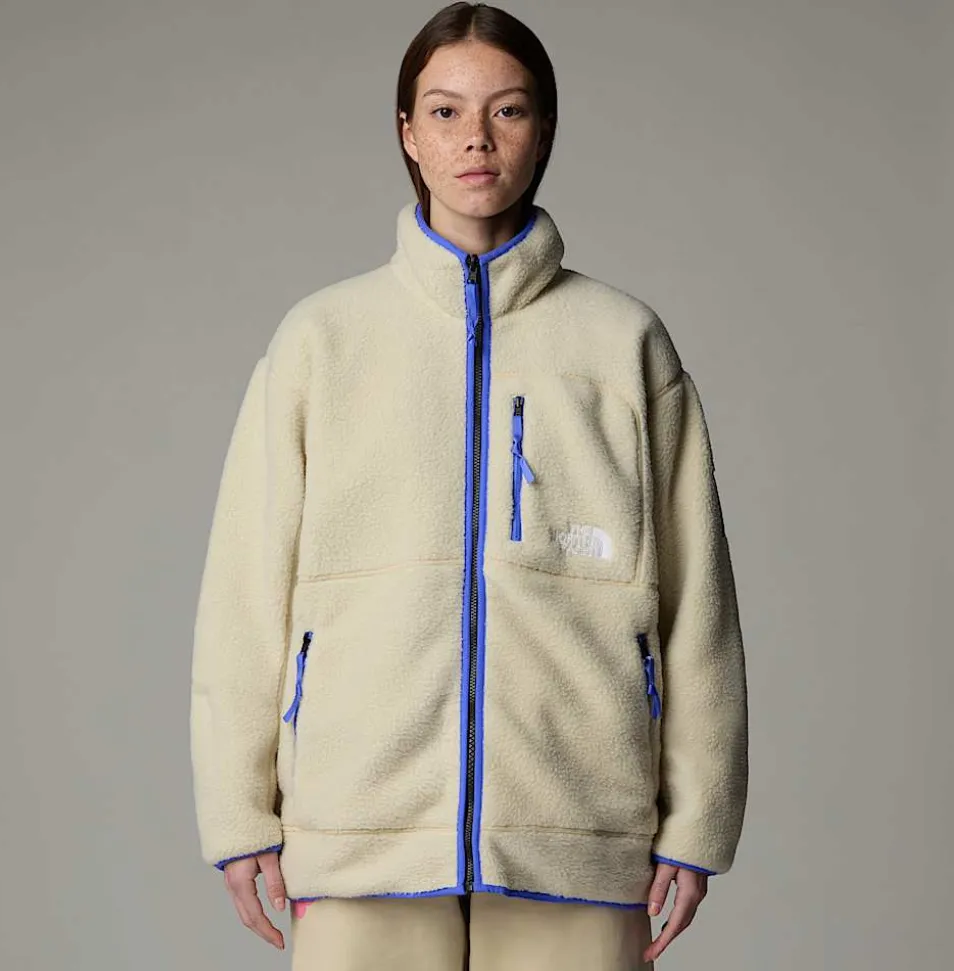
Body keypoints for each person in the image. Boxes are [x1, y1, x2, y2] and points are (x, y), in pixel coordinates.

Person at [189, 3, 749, 969]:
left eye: (508, 110)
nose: (476, 139)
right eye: (445, 112)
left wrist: (698, 820)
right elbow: (246, 589)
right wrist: (238, 812)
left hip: (576, 826)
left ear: (545, 129)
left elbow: (700, 602)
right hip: (360, 824)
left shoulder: (623, 344)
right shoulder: (323, 342)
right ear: (408, 133)